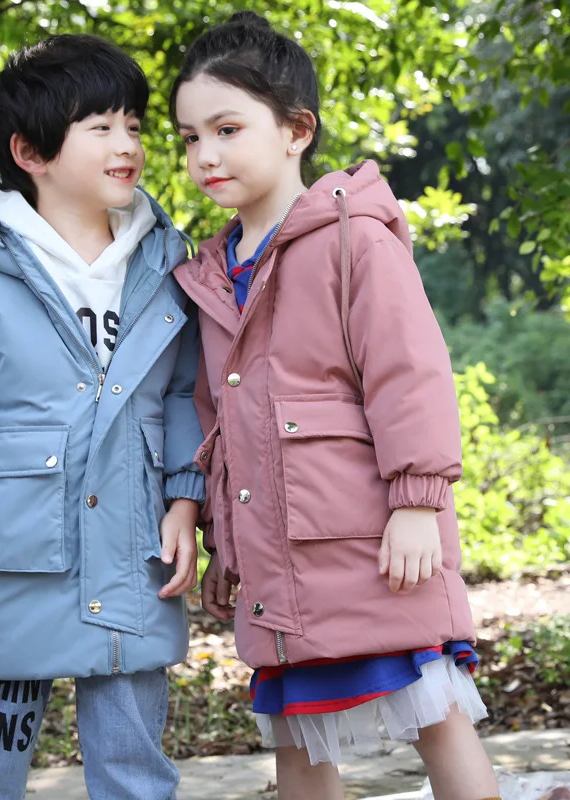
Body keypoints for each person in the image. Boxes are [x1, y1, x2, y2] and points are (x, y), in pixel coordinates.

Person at [169, 12, 500, 800]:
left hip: (372, 541)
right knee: (297, 729)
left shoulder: (354, 239)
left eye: (227, 129)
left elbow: (409, 373)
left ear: (296, 130)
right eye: (189, 138)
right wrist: (224, 543)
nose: (205, 154)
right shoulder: (211, 275)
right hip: (280, 561)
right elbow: (218, 422)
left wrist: (417, 502)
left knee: (434, 709)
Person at [0, 34, 204, 800]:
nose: (126, 143)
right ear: (30, 151)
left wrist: (185, 497)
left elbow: (183, 393)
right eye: (100, 126)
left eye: (133, 124)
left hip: (133, 550)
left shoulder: (168, 266)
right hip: (9, 556)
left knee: (135, 768)